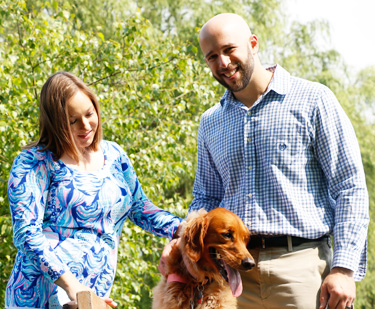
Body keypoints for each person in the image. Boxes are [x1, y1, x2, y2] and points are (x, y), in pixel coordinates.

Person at [160, 13, 369, 309]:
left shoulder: (313, 100)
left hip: (301, 271)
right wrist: (181, 243)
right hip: (230, 281)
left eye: (229, 49)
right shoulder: (210, 122)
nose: (223, 63)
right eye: (212, 56)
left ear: (253, 43)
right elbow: (205, 199)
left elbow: (349, 188)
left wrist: (344, 269)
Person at [5, 71, 182, 309]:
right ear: (56, 122)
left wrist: (186, 229)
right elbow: (27, 234)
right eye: (72, 121)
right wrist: (72, 286)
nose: (86, 125)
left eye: (89, 114)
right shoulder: (34, 162)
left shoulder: (114, 154)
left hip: (93, 296)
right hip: (41, 295)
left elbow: (140, 208)